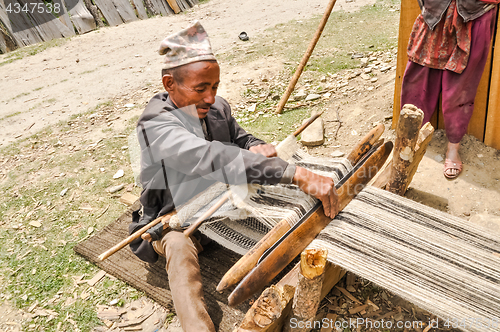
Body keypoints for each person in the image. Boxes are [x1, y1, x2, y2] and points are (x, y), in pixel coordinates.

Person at [129, 21, 339, 331]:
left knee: (279, 213)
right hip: (174, 214)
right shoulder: (156, 127)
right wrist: (295, 174)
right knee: (177, 247)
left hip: (222, 200)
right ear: (169, 83)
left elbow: (239, 140)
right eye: (200, 88)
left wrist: (256, 146)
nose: (210, 97)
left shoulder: (215, 108)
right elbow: (215, 157)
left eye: (214, 87)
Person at [400, 0, 499, 179]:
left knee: (461, 87)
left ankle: (453, 149)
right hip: (436, 8)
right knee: (420, 76)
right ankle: (408, 138)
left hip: (475, 10)